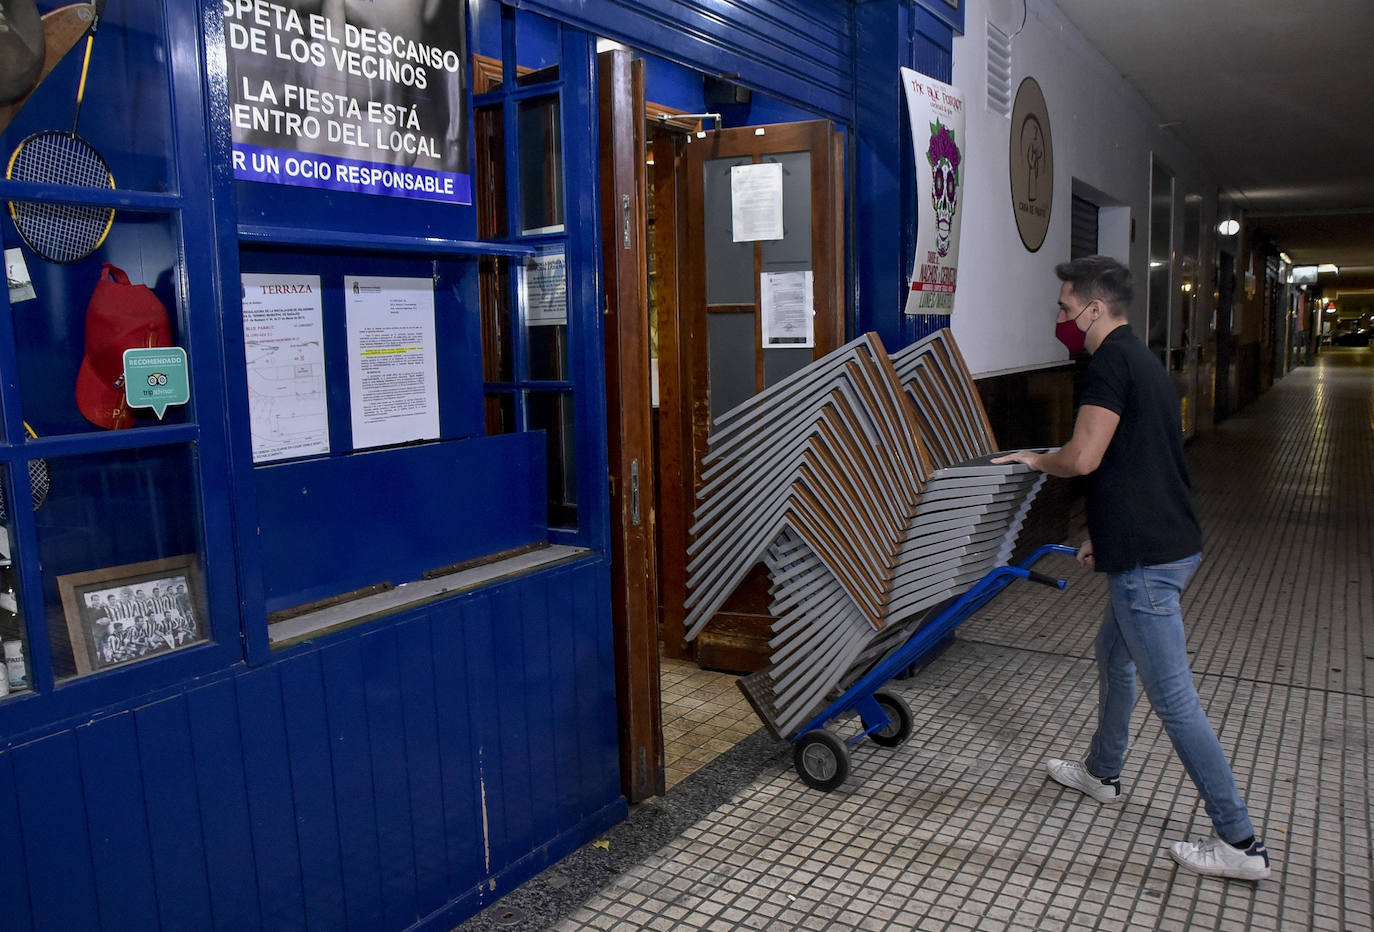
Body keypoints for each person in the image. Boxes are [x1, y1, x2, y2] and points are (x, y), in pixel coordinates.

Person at [992, 255, 1270, 881]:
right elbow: (1137, 461)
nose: (1060, 318)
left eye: (1065, 308)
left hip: (1148, 560)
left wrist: (1036, 459)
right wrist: (1101, 533)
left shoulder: (1110, 364)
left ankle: (1240, 842)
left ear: (1094, 308)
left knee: (1174, 699)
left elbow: (1085, 457)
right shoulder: (1141, 362)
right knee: (1112, 655)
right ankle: (1102, 772)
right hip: (1159, 539)